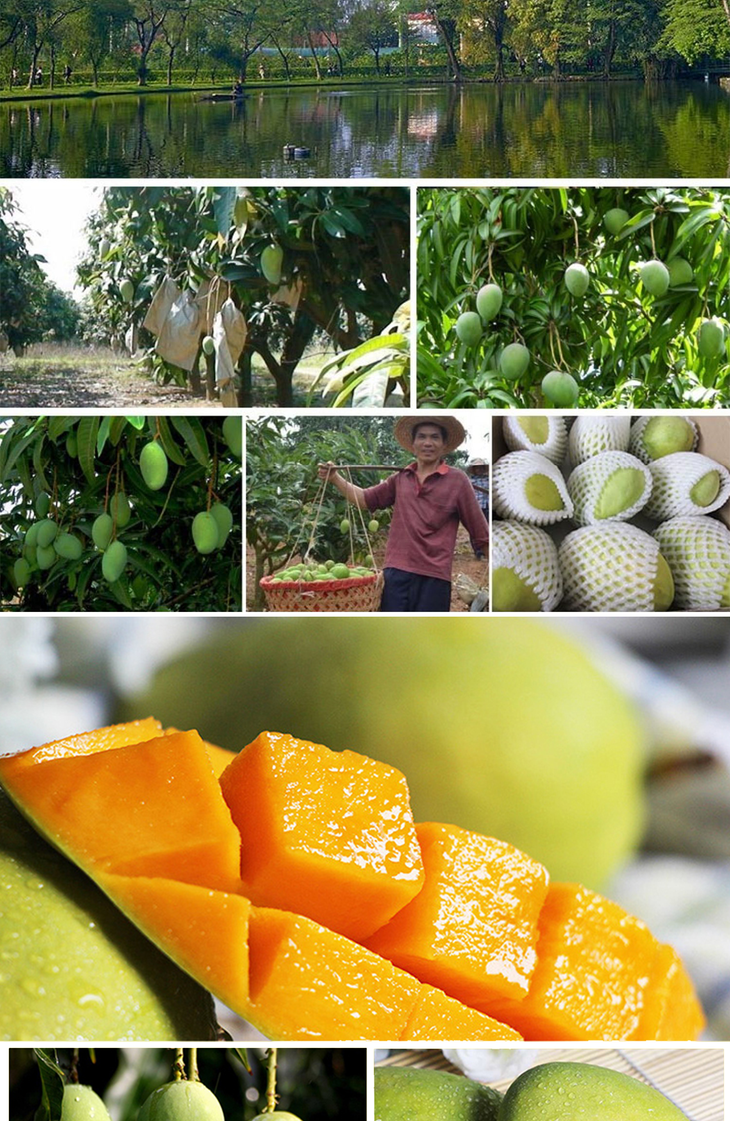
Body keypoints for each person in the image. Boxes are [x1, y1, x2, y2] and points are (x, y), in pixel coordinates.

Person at [318, 415, 489, 613]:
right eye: (422, 437)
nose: (428, 443)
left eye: (434, 437)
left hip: (434, 578)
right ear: (413, 444)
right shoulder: (401, 478)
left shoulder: (457, 481)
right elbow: (365, 500)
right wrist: (335, 478)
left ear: (443, 446)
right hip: (396, 573)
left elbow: (480, 532)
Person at [466, 458, 490, 559]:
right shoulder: (469, 481)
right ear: (473, 469)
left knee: (487, 529)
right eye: (476, 468)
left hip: (486, 507)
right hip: (475, 508)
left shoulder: (488, 480)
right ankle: (478, 551)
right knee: (474, 530)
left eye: (480, 467)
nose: (478, 469)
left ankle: (487, 549)